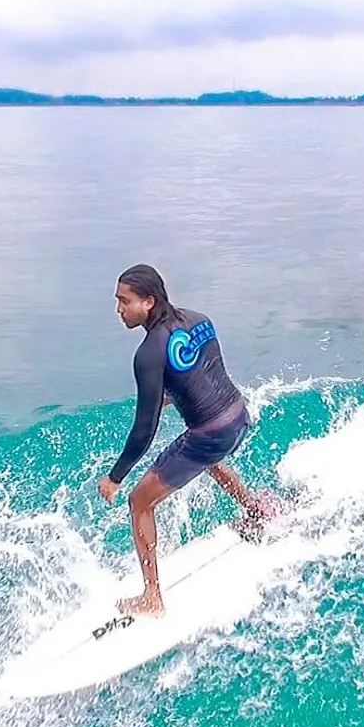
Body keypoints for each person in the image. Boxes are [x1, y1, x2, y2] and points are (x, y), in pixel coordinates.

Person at [97, 264, 273, 617]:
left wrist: (116, 477)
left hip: (211, 434)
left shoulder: (148, 353)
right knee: (209, 459)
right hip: (238, 416)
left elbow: (144, 428)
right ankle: (255, 510)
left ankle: (151, 598)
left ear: (148, 302)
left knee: (139, 502)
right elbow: (206, 371)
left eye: (124, 301)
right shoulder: (199, 319)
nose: (119, 310)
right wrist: (173, 394)